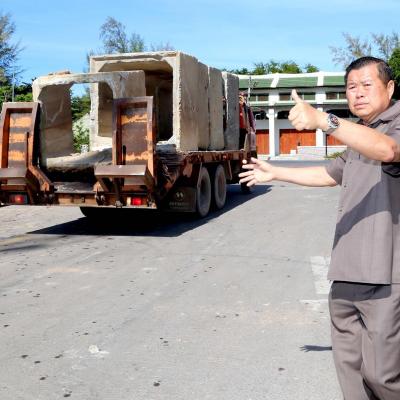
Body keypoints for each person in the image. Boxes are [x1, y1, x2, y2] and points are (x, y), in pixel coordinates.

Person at [239, 56, 400, 400]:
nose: (358, 93)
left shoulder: (392, 128)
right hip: (346, 273)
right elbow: (328, 174)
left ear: (389, 88)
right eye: (351, 87)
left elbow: (388, 150)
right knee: (351, 373)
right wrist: (276, 172)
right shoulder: (360, 136)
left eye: (366, 85)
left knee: (383, 376)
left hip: (386, 277)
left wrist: (325, 120)